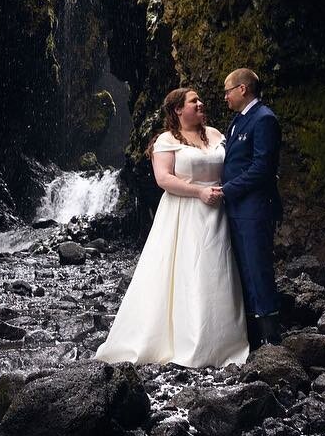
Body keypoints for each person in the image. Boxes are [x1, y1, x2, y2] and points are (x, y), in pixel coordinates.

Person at [95, 87, 249, 368]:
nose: (201, 104)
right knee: (185, 270)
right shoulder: (166, 141)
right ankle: (184, 340)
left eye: (200, 100)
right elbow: (163, 179)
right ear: (178, 110)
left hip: (219, 210)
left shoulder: (216, 134)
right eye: (194, 102)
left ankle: (223, 342)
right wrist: (199, 192)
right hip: (184, 211)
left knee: (218, 269)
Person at [220, 68, 283, 347]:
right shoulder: (237, 122)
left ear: (243, 89)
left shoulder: (264, 119)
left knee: (258, 268)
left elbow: (262, 168)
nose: (225, 97)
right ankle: (253, 335)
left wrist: (226, 190)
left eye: (227, 91)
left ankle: (271, 336)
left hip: (254, 208)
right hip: (237, 208)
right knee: (243, 269)